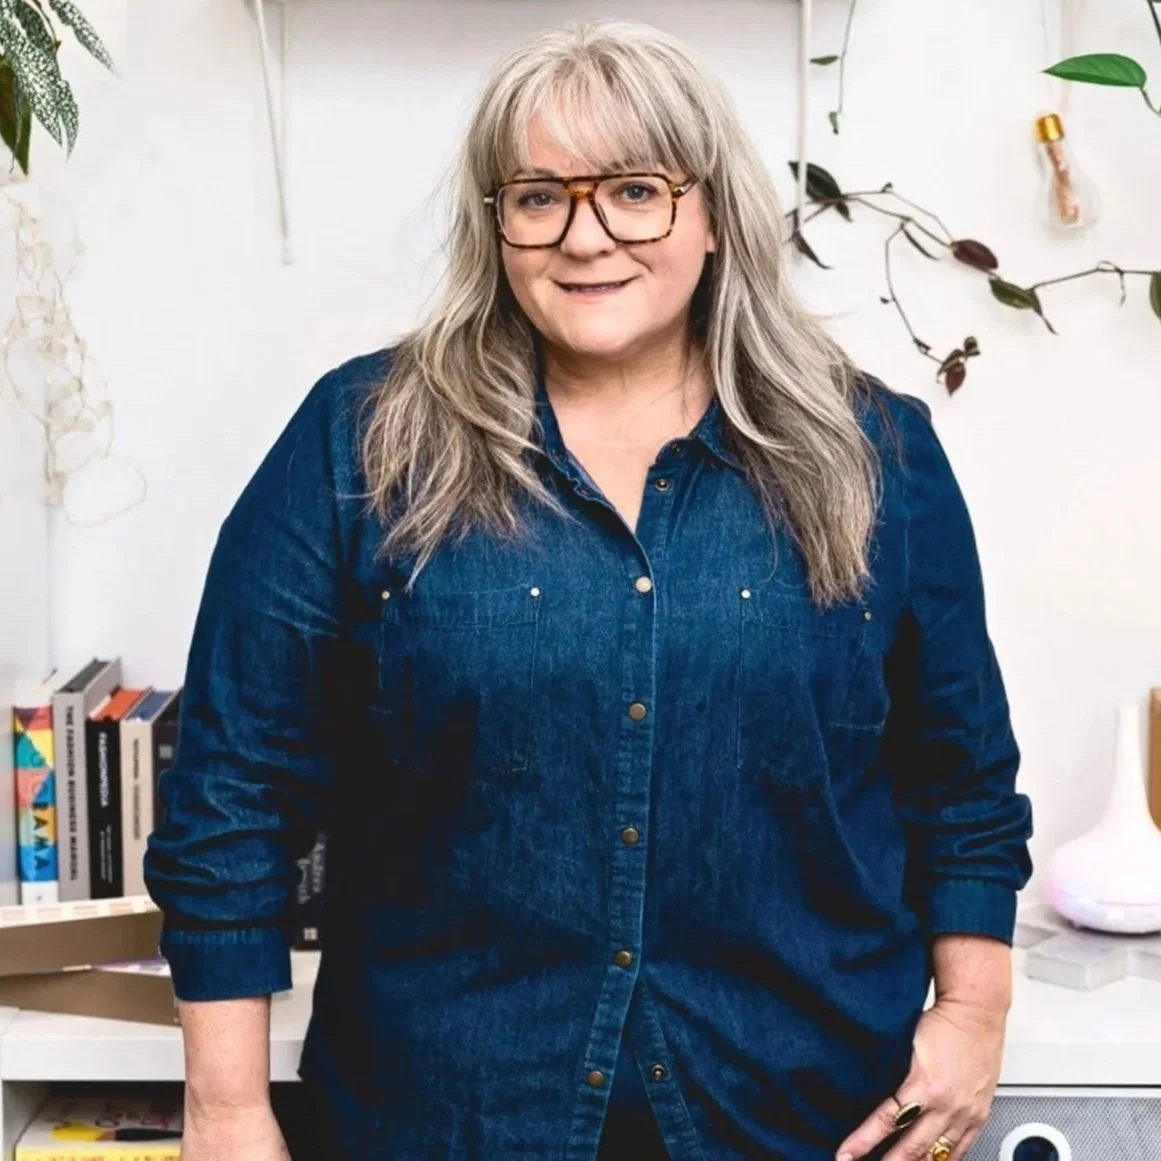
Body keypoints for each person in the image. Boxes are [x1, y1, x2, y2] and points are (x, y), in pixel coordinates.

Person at [144, 18, 1033, 1161]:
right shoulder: (359, 444)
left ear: (712, 213)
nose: (584, 237)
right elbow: (232, 790)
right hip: (443, 1119)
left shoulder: (876, 454)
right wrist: (225, 1109)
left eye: (635, 191)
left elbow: (960, 780)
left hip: (804, 1117)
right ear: (497, 223)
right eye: (538, 198)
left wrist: (974, 1015)